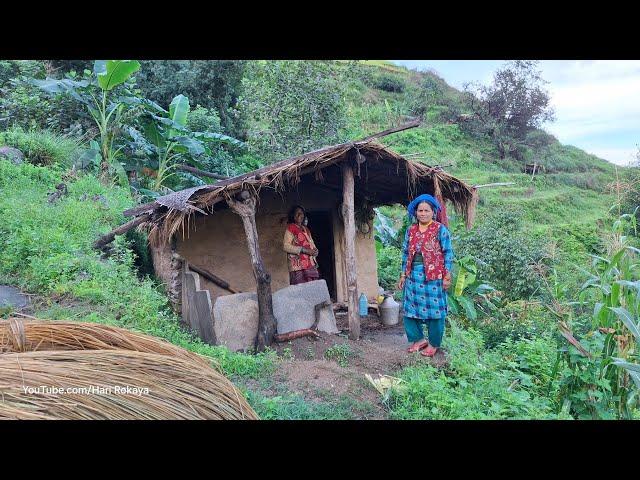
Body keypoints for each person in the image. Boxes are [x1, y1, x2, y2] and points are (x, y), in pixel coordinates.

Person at [397, 194, 453, 357]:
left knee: (436, 311)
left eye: (426, 210)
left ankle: (434, 344)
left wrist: (447, 275)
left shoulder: (440, 229)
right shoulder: (411, 230)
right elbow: (406, 252)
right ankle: (419, 339)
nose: (423, 213)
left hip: (434, 276)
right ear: (416, 213)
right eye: (420, 210)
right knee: (409, 308)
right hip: (413, 275)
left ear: (433, 212)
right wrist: (402, 274)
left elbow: (448, 252)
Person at [283, 205, 320, 285]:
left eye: (302, 213)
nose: (300, 215)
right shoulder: (291, 228)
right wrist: (304, 250)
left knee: (312, 288)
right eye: (297, 213)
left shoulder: (306, 229)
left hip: (309, 264)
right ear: (293, 216)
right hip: (298, 265)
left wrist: (315, 250)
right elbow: (286, 246)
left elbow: (312, 243)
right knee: (300, 290)